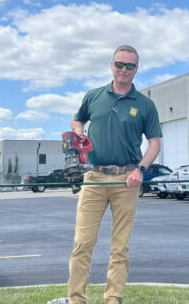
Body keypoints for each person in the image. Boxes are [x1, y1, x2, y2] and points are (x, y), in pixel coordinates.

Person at [51, 45, 163, 304]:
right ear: (111, 65)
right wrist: (78, 130)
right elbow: (77, 120)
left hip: (127, 180)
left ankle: (113, 298)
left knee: (120, 246)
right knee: (82, 243)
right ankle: (76, 298)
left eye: (130, 66)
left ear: (137, 69)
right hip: (95, 177)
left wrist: (141, 170)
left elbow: (155, 142)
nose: (123, 70)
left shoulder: (145, 105)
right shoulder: (94, 96)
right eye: (119, 64)